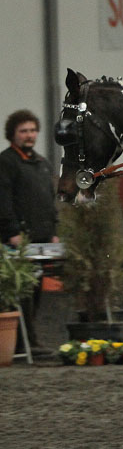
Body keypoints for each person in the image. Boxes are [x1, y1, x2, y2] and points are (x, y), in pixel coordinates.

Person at [0, 109, 59, 356]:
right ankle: (24, 341)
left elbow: (49, 200)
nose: (29, 135)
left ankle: (28, 339)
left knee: (34, 290)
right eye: (24, 131)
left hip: (41, 241)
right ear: (12, 134)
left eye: (33, 130)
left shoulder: (42, 163)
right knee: (19, 291)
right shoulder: (5, 162)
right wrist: (12, 231)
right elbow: (3, 200)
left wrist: (53, 231)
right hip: (17, 240)